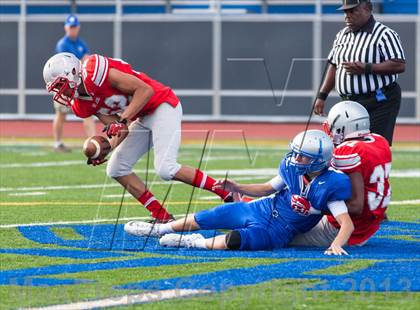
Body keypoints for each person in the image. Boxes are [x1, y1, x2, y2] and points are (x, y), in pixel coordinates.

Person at [42, 52, 234, 223]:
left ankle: (227, 193)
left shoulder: (94, 72)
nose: (62, 93)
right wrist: (106, 148)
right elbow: (119, 128)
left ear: (73, 73)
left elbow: (144, 90)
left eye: (61, 86)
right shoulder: (81, 105)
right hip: (141, 117)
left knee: (165, 168)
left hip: (161, 104)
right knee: (116, 168)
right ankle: (161, 215)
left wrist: (123, 120)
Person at [124, 130, 354, 255]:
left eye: (302, 155)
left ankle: (192, 242)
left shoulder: (331, 184)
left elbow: (346, 223)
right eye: (295, 153)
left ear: (317, 161)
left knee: (234, 241)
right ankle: (159, 229)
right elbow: (267, 188)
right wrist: (238, 188)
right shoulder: (292, 169)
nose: (296, 159)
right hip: (261, 209)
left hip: (279, 231)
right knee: (213, 215)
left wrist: (337, 244)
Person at [290, 101, 391, 247]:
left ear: (343, 127)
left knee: (281, 233)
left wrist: (313, 208)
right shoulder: (379, 141)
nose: (329, 130)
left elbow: (356, 206)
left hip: (345, 228)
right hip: (368, 224)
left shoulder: (347, 152)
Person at [313, 0, 405, 146]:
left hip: (379, 100)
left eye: (353, 11)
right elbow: (333, 65)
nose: (347, 16)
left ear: (368, 9)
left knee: (373, 146)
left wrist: (367, 68)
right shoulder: (342, 35)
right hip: (349, 103)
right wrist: (322, 95)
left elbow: (399, 64)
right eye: (345, 12)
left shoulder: (384, 34)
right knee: (344, 146)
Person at [52, 14, 96, 152]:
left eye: (74, 27)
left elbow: (87, 61)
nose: (72, 30)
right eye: (70, 27)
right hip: (64, 85)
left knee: (87, 113)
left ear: (78, 28)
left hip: (79, 83)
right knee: (61, 113)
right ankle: (58, 143)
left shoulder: (81, 43)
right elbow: (70, 63)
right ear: (66, 27)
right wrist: (82, 60)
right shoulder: (62, 44)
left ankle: (93, 143)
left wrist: (83, 61)